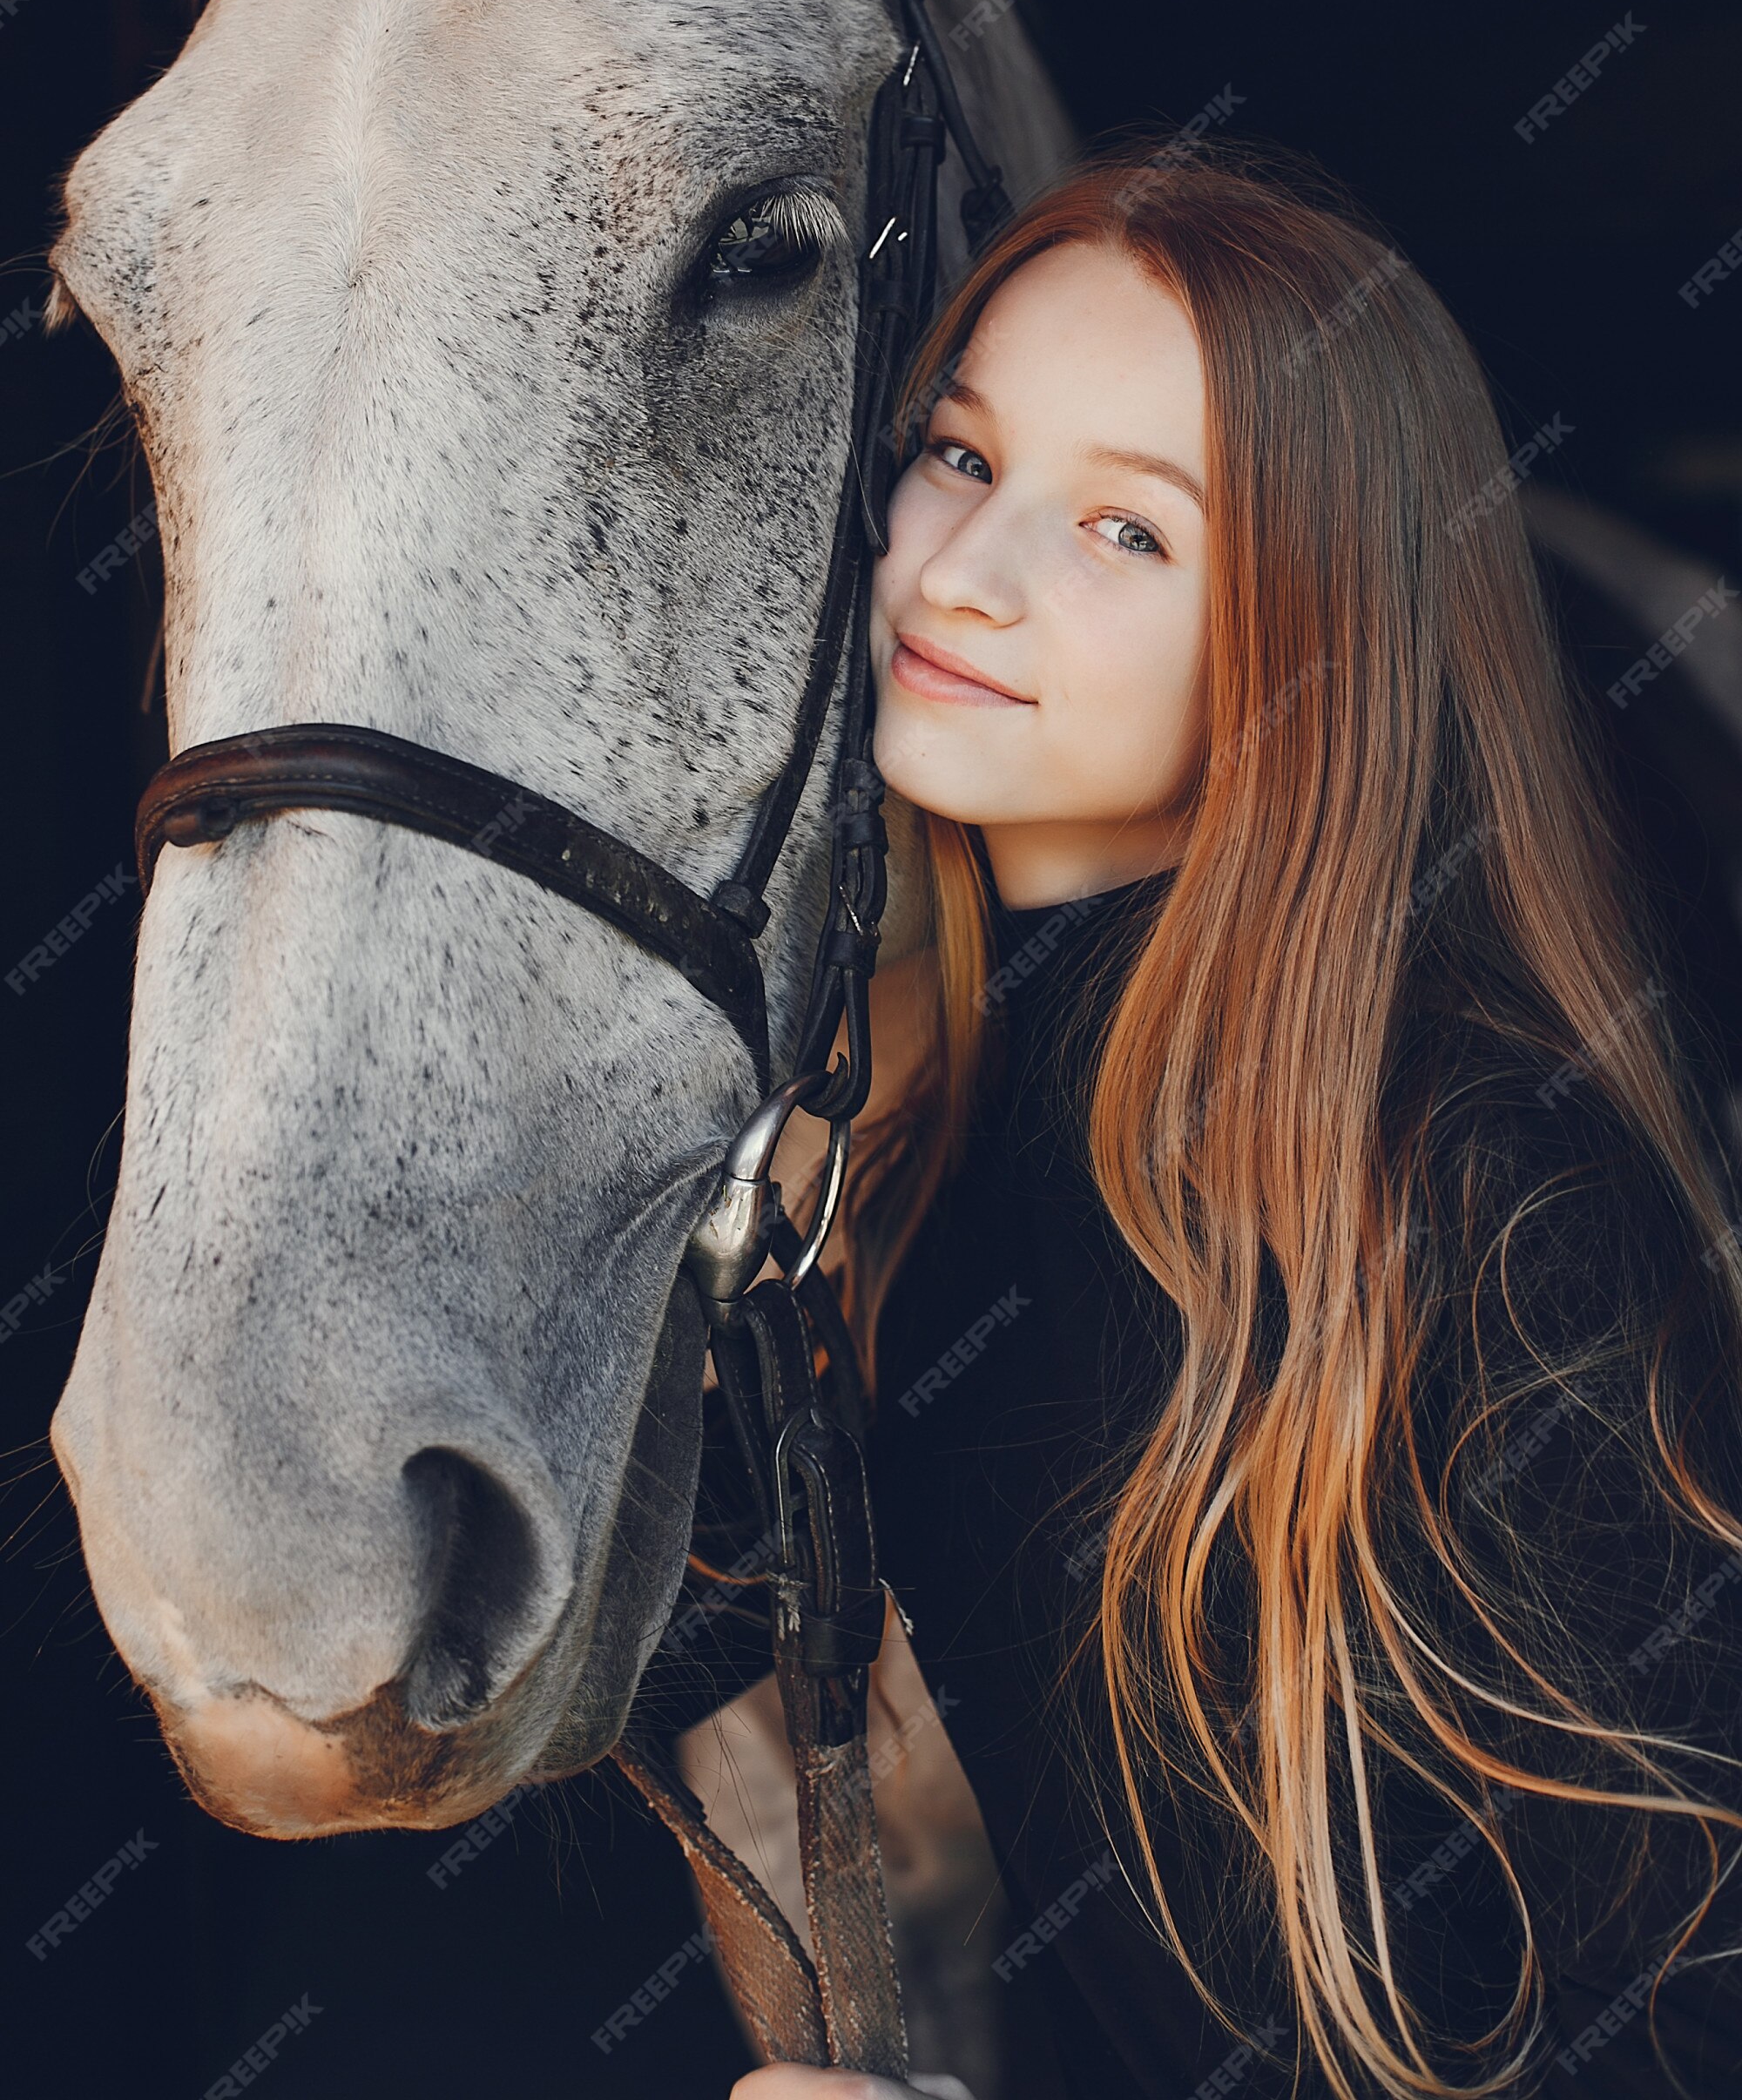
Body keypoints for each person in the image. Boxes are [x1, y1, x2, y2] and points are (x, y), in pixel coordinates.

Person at [681, 149, 1742, 2099]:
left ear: (1311, 644)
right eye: (966, 459)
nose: (967, 575)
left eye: (1131, 534)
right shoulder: (949, 1120)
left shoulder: (1470, 1196)